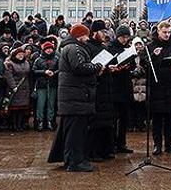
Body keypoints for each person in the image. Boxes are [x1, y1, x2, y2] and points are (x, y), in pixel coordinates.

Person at [48, 23, 103, 172]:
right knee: (75, 133)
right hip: (75, 99)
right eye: (86, 35)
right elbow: (79, 67)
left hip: (74, 98)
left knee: (73, 132)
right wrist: (97, 66)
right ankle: (75, 162)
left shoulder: (71, 48)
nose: (88, 37)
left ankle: (72, 159)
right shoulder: (74, 48)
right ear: (80, 35)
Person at [145, 20, 171, 155]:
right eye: (164, 32)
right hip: (157, 86)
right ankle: (157, 145)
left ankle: (169, 144)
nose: (167, 35)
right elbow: (145, 66)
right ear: (158, 31)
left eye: (169, 32)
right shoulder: (150, 46)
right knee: (157, 118)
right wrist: (154, 55)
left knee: (169, 118)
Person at [84, 20, 117, 160]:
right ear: (94, 33)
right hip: (97, 89)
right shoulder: (88, 48)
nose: (105, 34)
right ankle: (93, 151)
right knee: (96, 122)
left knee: (106, 122)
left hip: (107, 88)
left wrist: (111, 67)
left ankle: (105, 149)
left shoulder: (104, 47)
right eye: (102, 32)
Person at [108, 25, 135, 152]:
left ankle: (122, 143)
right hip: (114, 85)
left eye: (127, 37)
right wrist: (116, 67)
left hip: (125, 85)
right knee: (114, 117)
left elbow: (133, 65)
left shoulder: (128, 49)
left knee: (124, 117)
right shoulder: (110, 48)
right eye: (123, 37)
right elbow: (108, 64)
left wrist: (129, 65)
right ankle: (112, 143)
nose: (125, 40)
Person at [33, 41, 60, 132]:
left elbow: (60, 69)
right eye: (47, 49)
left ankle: (50, 121)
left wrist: (54, 73)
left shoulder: (56, 59)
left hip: (52, 84)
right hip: (42, 85)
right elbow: (34, 71)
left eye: (50, 48)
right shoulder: (38, 60)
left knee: (51, 104)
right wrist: (44, 72)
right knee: (40, 104)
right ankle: (39, 122)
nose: (49, 50)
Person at [5, 46, 32, 131]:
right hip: (15, 88)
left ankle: (20, 125)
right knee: (14, 109)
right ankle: (14, 125)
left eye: (22, 54)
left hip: (24, 88)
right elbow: (9, 76)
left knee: (21, 109)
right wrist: (13, 86)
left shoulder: (26, 63)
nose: (21, 56)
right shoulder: (10, 64)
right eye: (19, 54)